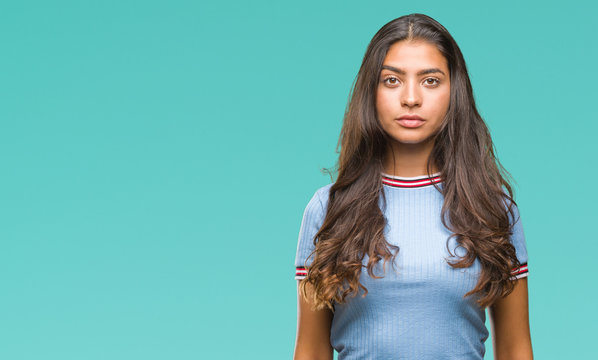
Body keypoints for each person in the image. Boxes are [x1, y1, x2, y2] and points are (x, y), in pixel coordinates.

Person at [292, 13, 533, 360]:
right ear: (370, 92)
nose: (410, 98)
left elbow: (515, 349)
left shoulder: (493, 209)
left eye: (430, 81)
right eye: (391, 80)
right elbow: (311, 351)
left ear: (455, 91)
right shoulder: (328, 209)